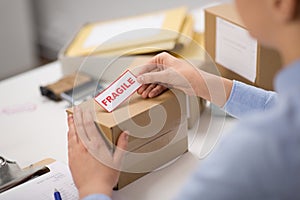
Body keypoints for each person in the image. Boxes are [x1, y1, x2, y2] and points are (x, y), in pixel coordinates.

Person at [67, 0, 300, 199]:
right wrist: (205, 83)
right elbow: (284, 107)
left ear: (282, 3)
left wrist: (93, 188)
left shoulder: (252, 156)